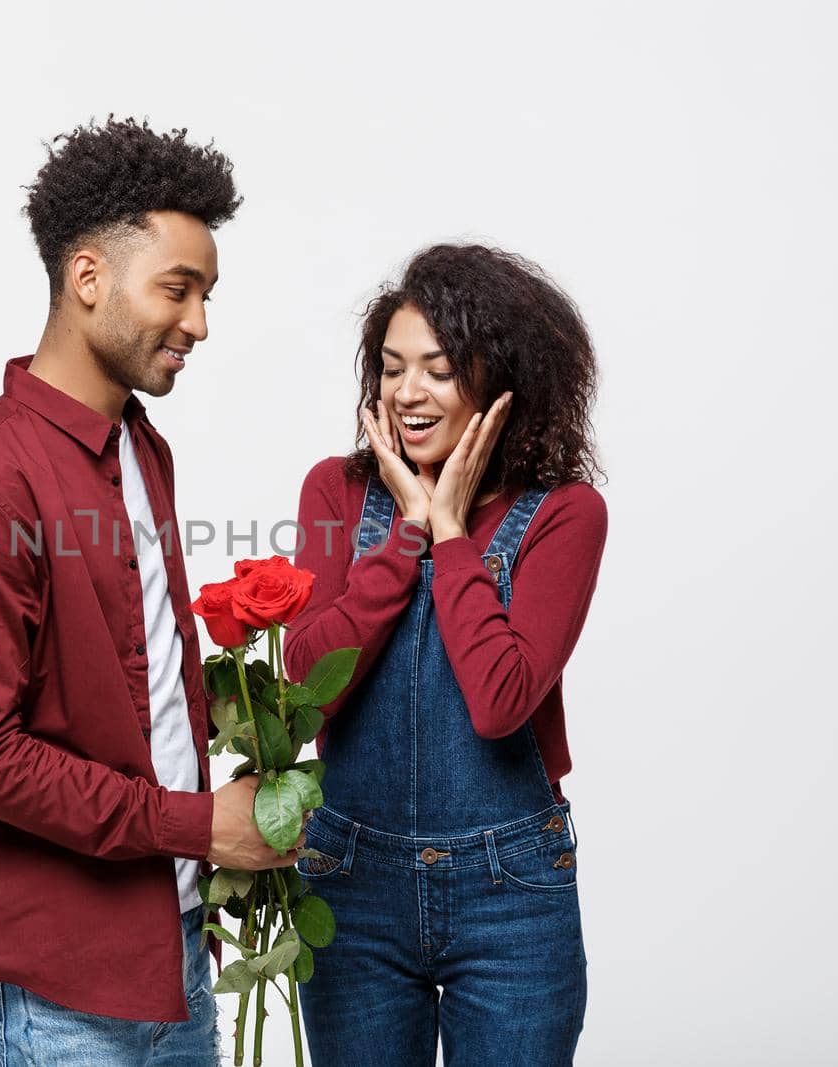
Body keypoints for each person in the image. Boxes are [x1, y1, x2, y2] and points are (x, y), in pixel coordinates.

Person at [0, 117, 301, 1067]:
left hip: (172, 958)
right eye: (178, 288)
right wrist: (199, 824)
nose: (199, 322)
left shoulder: (140, 448)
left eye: (205, 293)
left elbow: (143, 690)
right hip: (58, 996)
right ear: (89, 279)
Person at [283, 244, 608, 1066]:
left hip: (512, 895)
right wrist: (406, 534)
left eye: (437, 368)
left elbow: (502, 699)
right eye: (392, 369)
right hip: (349, 881)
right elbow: (308, 684)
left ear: (501, 380)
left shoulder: (565, 515)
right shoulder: (335, 491)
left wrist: (455, 532)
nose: (407, 392)